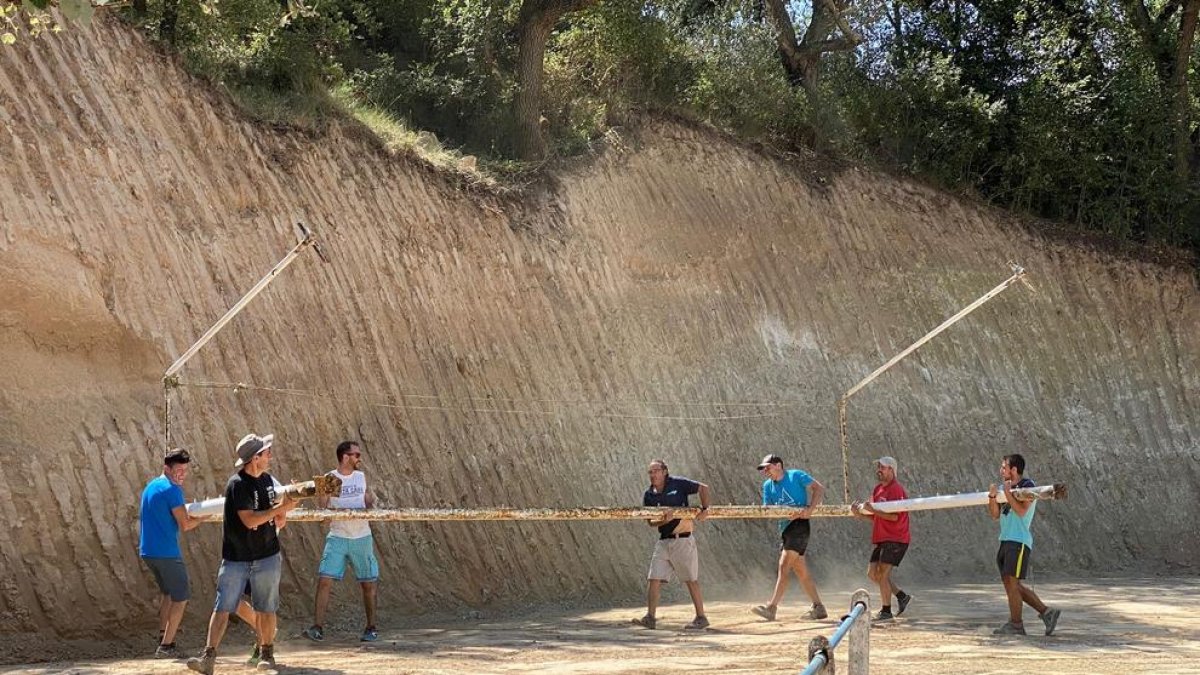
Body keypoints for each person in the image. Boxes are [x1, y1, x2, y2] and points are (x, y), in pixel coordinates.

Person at [188, 433, 298, 674]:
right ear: (256, 458)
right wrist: (283, 507)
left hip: (266, 554)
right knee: (223, 606)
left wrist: (284, 510)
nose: (270, 456)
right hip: (237, 558)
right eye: (266, 452)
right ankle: (209, 658)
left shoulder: (268, 481)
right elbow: (249, 521)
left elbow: (278, 520)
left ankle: (266, 655)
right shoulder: (237, 484)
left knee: (266, 607)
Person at [302, 441, 380, 643]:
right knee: (325, 581)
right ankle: (317, 627)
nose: (358, 458)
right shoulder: (331, 478)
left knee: (368, 583)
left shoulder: (361, 477)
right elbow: (323, 514)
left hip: (361, 535)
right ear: (345, 457)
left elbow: (368, 501)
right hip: (337, 535)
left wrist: (371, 503)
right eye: (356, 455)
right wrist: (322, 495)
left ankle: (371, 627)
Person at [631, 459, 712, 630]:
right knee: (653, 578)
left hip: (683, 538)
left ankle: (701, 616)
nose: (653, 475)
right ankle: (650, 617)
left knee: (691, 579)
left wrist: (705, 509)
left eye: (656, 471)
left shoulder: (678, 484)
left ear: (664, 471)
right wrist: (662, 520)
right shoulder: (649, 495)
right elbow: (650, 523)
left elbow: (703, 487)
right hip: (664, 540)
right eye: (650, 472)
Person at [139, 447, 202, 659]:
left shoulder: (151, 487)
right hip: (166, 553)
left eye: (184, 470)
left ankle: (162, 636)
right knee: (181, 597)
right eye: (178, 470)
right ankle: (167, 645)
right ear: (167, 468)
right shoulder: (172, 490)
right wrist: (204, 517)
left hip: (148, 551)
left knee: (167, 593)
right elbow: (185, 524)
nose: (181, 474)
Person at [989, 453, 1061, 636]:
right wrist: (992, 497)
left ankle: (1016, 624)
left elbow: (1021, 511)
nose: (1001, 470)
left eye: (1004, 467)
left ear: (1014, 469)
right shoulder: (1002, 487)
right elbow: (995, 514)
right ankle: (1047, 613)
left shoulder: (1028, 486)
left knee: (1013, 584)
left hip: (1019, 540)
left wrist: (1007, 493)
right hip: (1005, 540)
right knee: (1011, 585)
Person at [751, 454, 826, 622]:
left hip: (800, 526)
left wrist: (810, 510)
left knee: (783, 566)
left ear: (778, 465)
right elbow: (768, 509)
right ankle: (819, 607)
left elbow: (818, 488)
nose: (765, 472)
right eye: (763, 469)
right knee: (801, 571)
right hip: (785, 529)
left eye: (767, 467)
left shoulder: (796, 475)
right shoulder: (767, 486)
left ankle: (772, 607)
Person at [851, 456, 913, 622]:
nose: (879, 469)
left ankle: (886, 611)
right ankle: (901, 596)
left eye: (883, 467)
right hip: (882, 538)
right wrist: (860, 515)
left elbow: (894, 517)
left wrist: (873, 510)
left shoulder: (896, 489)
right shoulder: (878, 489)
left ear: (892, 470)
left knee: (883, 574)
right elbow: (875, 517)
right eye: (878, 466)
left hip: (896, 537)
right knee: (873, 574)